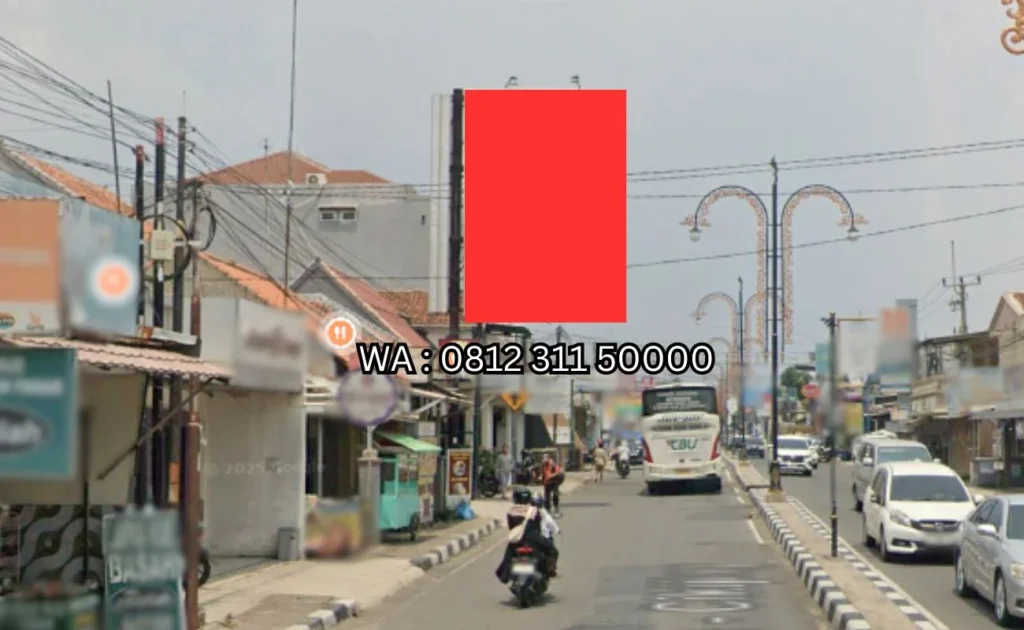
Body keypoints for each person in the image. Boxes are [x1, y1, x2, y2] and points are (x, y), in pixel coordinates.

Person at [495, 488, 559, 583]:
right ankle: (550, 571)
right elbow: (538, 527)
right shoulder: (534, 510)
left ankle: (505, 576)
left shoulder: (510, 511)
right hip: (533, 538)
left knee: (508, 557)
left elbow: (511, 527)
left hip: (516, 540)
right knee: (553, 550)